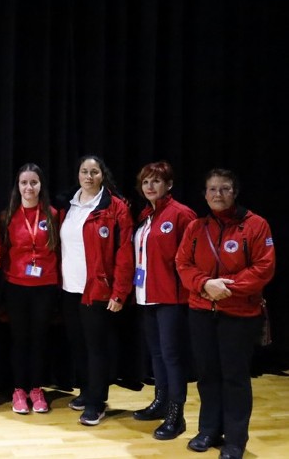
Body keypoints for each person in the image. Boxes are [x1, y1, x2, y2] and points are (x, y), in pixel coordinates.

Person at [176, 168, 275, 459]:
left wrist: (225, 288)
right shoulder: (196, 227)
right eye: (212, 189)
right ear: (204, 194)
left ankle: (234, 439)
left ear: (235, 192)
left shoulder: (256, 225)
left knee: (235, 377)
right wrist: (205, 284)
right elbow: (183, 263)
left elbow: (263, 268)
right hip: (201, 312)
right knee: (207, 375)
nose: (218, 194)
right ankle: (208, 430)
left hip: (239, 314)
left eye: (224, 189)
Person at [57, 154, 134, 426]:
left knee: (96, 349)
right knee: (78, 345)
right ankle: (86, 392)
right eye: (84, 171)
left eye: (94, 172)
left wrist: (120, 292)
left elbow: (125, 253)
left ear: (103, 175)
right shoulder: (69, 204)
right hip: (70, 289)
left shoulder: (116, 208)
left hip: (97, 290)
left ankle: (96, 403)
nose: (88, 177)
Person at [131, 161, 196, 440]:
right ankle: (160, 402)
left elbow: (192, 258)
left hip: (172, 298)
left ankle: (176, 414)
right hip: (146, 296)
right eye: (146, 181)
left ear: (169, 184)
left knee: (172, 356)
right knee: (157, 354)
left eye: (156, 181)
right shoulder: (146, 215)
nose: (150, 186)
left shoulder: (181, 214)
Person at [0, 163, 60, 414]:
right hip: (16, 286)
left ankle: (36, 389)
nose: (28, 187)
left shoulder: (53, 215)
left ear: (41, 185)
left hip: (44, 287)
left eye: (33, 182)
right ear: (18, 186)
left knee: (39, 339)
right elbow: (3, 251)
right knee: (19, 339)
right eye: (24, 182)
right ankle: (18, 390)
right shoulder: (8, 216)